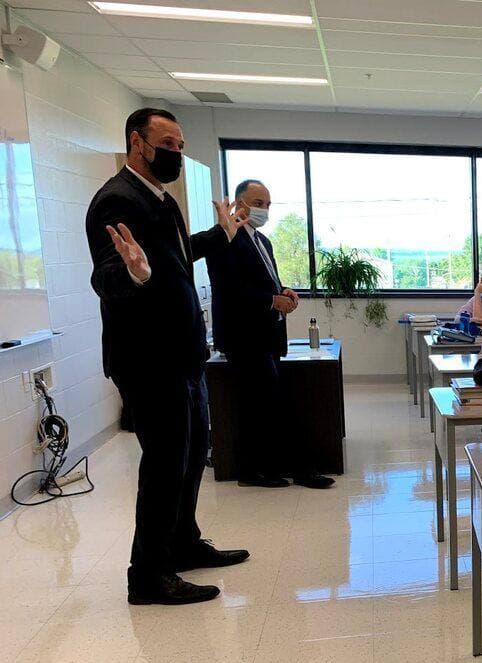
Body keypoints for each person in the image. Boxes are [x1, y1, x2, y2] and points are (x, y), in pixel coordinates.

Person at [85, 107, 249, 606]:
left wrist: (219, 235)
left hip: (184, 357)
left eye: (180, 145)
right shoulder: (116, 199)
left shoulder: (160, 198)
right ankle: (148, 575)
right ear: (138, 142)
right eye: (168, 143)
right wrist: (132, 272)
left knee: (191, 455)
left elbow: (174, 258)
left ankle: (182, 543)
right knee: (164, 464)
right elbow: (108, 276)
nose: (176, 152)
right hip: (149, 360)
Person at [207, 178, 335, 491]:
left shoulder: (262, 241)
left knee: (264, 404)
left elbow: (266, 283)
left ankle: (262, 468)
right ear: (239, 204)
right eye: (258, 203)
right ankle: (277, 470)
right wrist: (270, 300)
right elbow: (230, 290)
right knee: (264, 405)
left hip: (267, 335)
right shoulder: (226, 239)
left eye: (267, 204)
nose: (264, 209)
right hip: (244, 338)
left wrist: (283, 292)